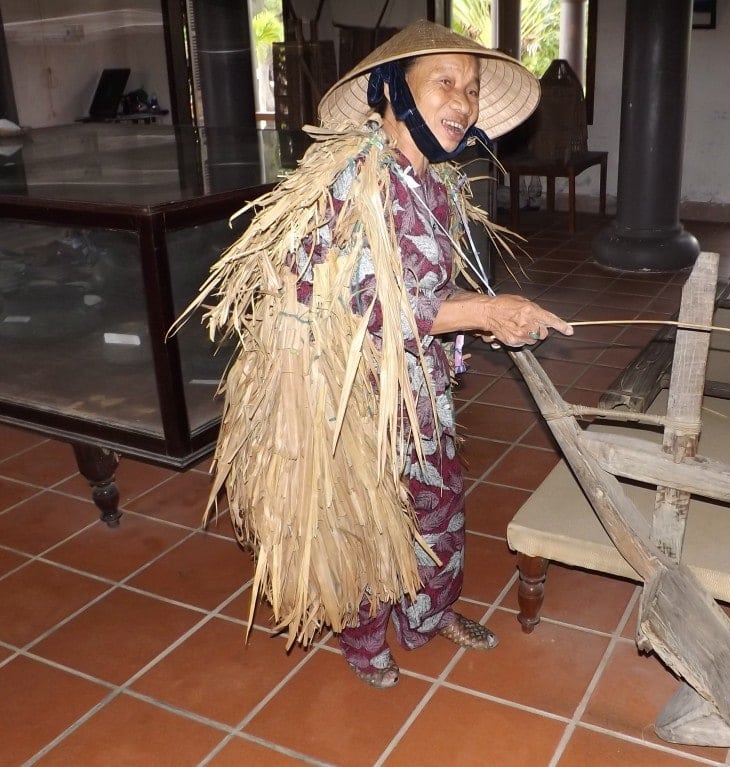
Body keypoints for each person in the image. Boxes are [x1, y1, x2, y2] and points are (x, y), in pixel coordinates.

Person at [184, 20, 572, 689]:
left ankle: (428, 614)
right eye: (444, 82)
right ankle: (366, 643)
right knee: (367, 518)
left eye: (472, 88)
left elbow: (424, 291)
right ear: (392, 91)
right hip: (351, 398)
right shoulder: (356, 182)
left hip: (419, 388)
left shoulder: (437, 181)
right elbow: (364, 308)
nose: (463, 101)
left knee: (439, 503)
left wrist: (480, 322)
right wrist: (483, 311)